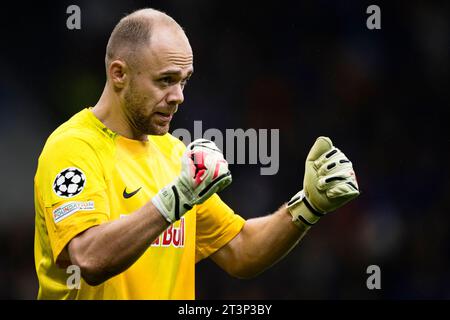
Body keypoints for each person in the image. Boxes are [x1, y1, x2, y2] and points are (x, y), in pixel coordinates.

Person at [34, 8, 360, 300]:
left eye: (184, 81)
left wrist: (308, 205)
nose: (178, 96)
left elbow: (241, 251)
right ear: (119, 74)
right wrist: (177, 198)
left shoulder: (174, 155)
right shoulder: (73, 148)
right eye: (165, 80)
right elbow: (89, 258)